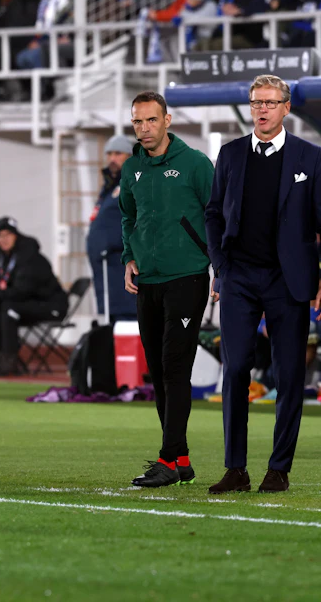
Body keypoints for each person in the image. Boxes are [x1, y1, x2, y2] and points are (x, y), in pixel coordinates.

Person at [205, 75, 321, 494]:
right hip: (239, 277)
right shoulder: (229, 155)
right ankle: (235, 469)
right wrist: (221, 266)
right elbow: (212, 214)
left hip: (290, 281)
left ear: (286, 108)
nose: (261, 109)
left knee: (288, 375)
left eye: (269, 102)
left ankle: (278, 468)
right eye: (255, 102)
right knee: (235, 373)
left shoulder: (311, 156)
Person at [116, 91, 213, 488]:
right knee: (158, 372)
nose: (144, 129)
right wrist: (128, 256)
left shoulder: (196, 165)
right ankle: (182, 457)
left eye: (151, 120)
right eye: (137, 122)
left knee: (175, 367)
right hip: (149, 281)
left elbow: (219, 217)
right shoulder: (131, 169)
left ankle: (167, 460)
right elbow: (128, 216)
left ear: (167, 120)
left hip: (187, 277)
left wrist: (220, 269)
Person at [0, 216, 67, 374]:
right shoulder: (3, 257)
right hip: (25, 303)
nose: (3, 240)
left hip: (51, 305)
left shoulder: (29, 257)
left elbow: (23, 291)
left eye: (7, 235)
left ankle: (9, 360)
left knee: (9, 308)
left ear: (16, 236)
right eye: (0, 236)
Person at [87, 134, 135, 324]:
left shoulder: (134, 183)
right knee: (115, 325)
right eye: (109, 154)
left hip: (123, 269)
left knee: (130, 323)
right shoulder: (110, 187)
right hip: (108, 273)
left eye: (118, 153)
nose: (112, 159)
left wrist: (115, 244)